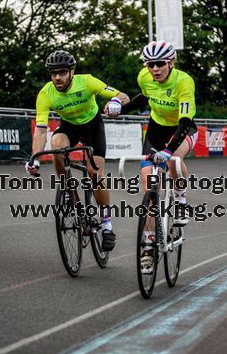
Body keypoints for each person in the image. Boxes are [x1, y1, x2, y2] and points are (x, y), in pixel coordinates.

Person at [25, 49, 129, 251]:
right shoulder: (46, 93)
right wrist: (34, 159)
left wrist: (115, 101)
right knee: (56, 146)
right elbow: (40, 130)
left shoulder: (87, 81)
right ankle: (66, 188)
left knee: (95, 174)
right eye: (53, 73)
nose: (57, 77)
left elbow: (122, 96)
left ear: (72, 71)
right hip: (69, 126)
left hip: (92, 126)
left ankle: (107, 225)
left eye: (62, 72)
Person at [120, 40, 198, 272]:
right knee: (149, 188)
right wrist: (121, 109)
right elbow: (145, 97)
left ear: (171, 63)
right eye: (150, 64)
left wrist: (168, 149)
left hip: (182, 130)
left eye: (160, 64)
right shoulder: (144, 77)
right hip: (156, 130)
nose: (154, 69)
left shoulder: (184, 81)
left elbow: (185, 121)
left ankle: (181, 197)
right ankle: (149, 246)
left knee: (174, 162)